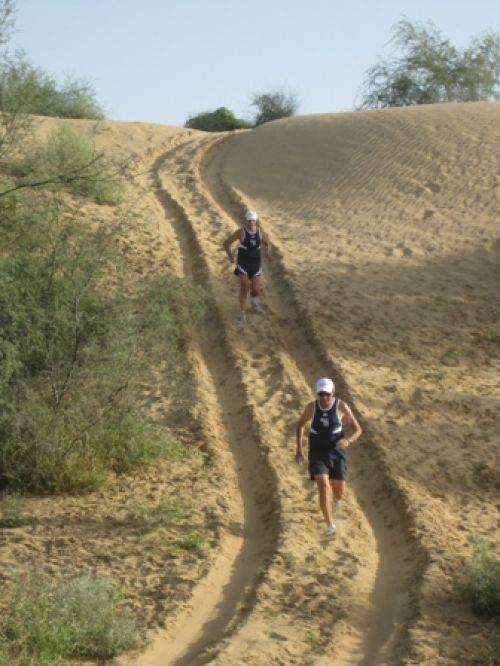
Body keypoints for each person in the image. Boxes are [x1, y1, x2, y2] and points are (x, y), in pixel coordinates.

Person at [296, 377, 363, 537]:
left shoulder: (341, 406)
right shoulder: (311, 408)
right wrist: (298, 449)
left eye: (327, 394)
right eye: (321, 394)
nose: (324, 398)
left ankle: (337, 502)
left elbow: (358, 429)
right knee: (323, 486)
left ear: (332, 393)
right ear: (317, 394)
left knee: (339, 490)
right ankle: (330, 524)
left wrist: (348, 440)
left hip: (336, 451)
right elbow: (300, 425)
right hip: (317, 451)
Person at [223, 210, 271, 325]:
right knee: (244, 287)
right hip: (243, 263)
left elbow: (267, 243)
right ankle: (242, 314)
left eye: (253, 220)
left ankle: (254, 302)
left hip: (255, 263)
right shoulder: (241, 232)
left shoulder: (260, 232)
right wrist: (231, 256)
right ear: (246, 220)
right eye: (249, 220)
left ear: (256, 220)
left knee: (255, 289)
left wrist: (267, 252)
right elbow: (226, 243)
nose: (251, 222)